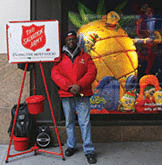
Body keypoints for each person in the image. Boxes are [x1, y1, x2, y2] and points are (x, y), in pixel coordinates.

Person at [51, 31, 97, 164]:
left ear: (77, 41)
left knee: (85, 122)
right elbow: (55, 74)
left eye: (73, 39)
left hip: (83, 94)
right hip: (67, 94)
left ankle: (88, 150)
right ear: (65, 41)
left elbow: (92, 72)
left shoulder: (86, 56)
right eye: (69, 39)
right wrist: (69, 87)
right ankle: (71, 145)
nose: (71, 41)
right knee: (69, 122)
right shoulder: (59, 58)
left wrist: (80, 85)